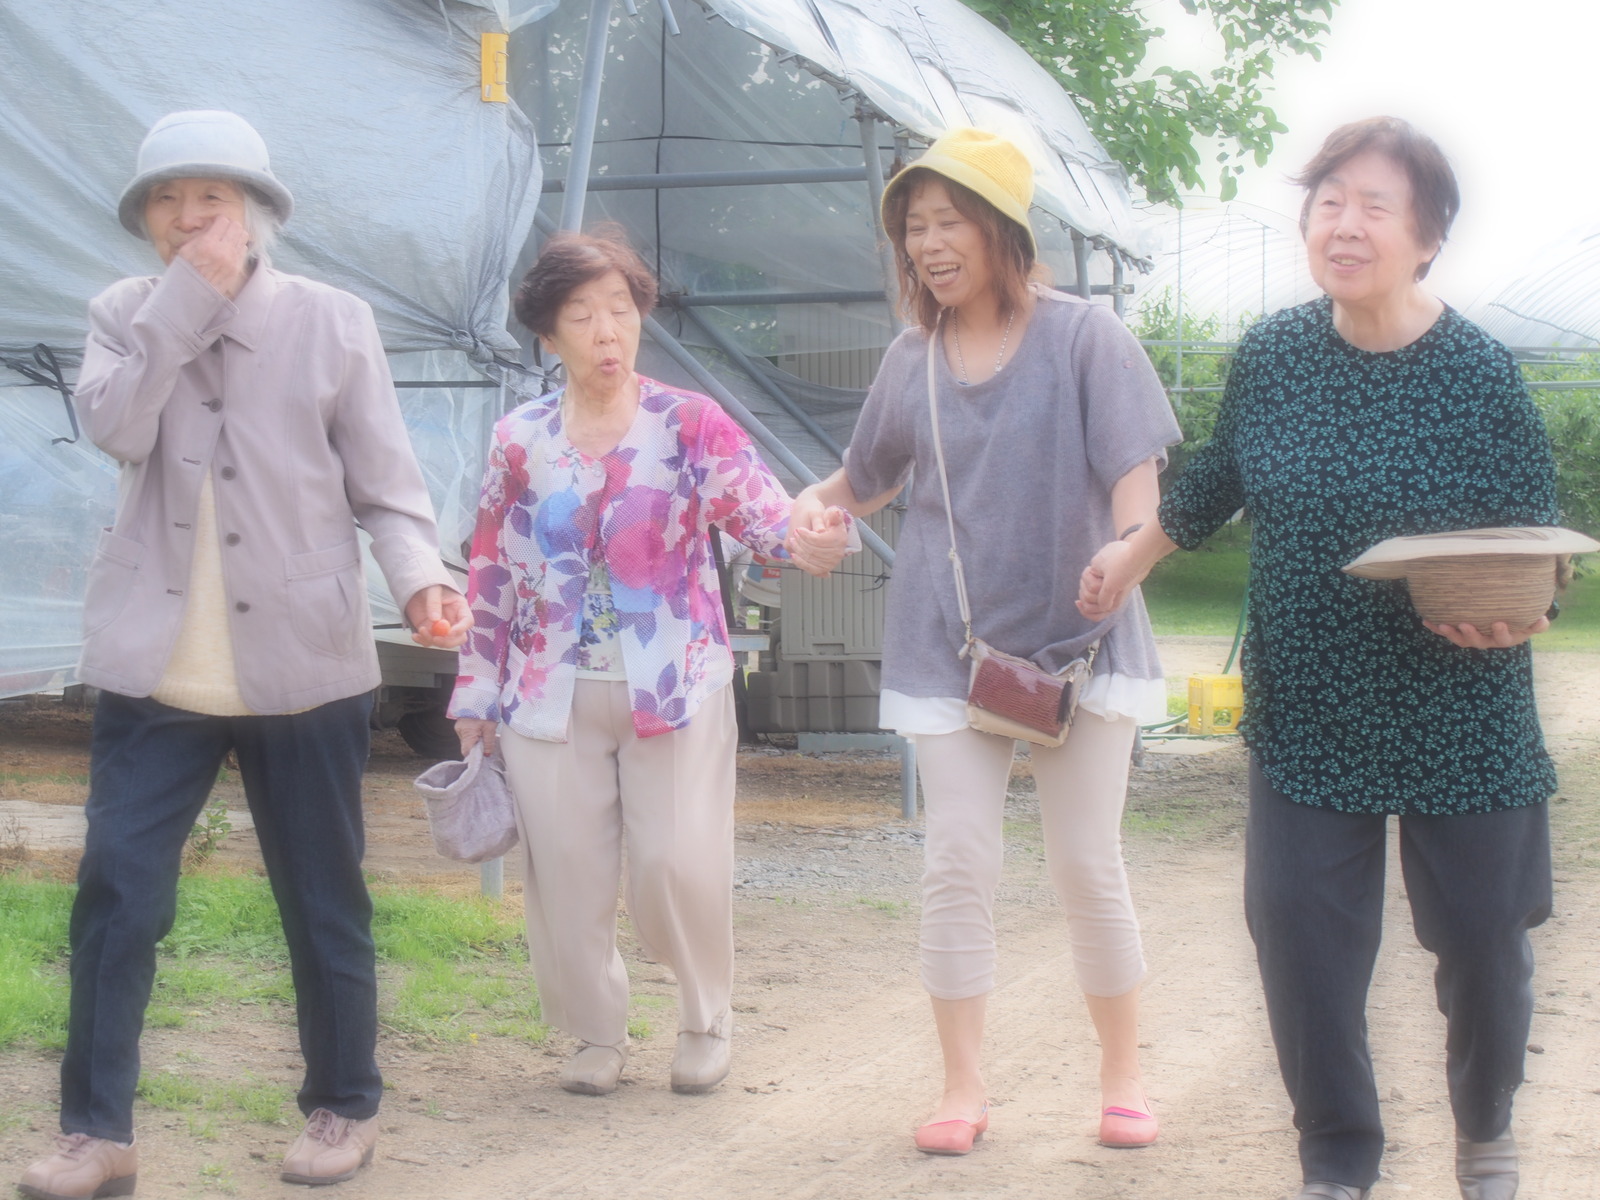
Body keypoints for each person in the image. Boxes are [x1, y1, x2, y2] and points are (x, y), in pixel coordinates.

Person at [1078, 117, 1557, 1200]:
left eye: (1374, 205)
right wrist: (1131, 553)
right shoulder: (1274, 356)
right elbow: (1216, 479)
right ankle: (1338, 1160)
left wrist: (1517, 614)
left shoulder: (1480, 375)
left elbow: (1535, 541)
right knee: (1302, 946)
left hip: (1461, 700)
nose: (1345, 224)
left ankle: (1484, 1128)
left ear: (1426, 238)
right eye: (1328, 202)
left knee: (1485, 941)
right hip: (1310, 700)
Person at [17, 110, 470, 1200]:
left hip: (306, 662)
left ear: (256, 212)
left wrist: (420, 577)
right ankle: (96, 1134)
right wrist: (186, 301)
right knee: (117, 893)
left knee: (322, 897)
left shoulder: (333, 320)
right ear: (145, 221)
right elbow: (118, 429)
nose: (188, 218)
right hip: (154, 667)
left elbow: (387, 488)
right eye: (166, 201)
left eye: (210, 198)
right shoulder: (121, 313)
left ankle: (344, 1103)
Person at [791, 127, 1181, 1155]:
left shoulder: (1087, 336)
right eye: (913, 229)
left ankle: (1123, 1076)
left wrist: (1127, 552)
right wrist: (803, 515)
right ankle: (961, 1087)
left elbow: (1137, 481)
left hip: (1082, 642)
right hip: (948, 645)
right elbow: (859, 481)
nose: (927, 245)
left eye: (947, 222)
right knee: (957, 860)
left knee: (1085, 864)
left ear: (1002, 230)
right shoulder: (909, 359)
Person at [448, 229, 853, 1100]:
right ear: (547, 334)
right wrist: (474, 694)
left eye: (621, 309)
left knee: (676, 866)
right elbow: (490, 570)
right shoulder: (519, 440)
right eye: (582, 314)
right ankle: (596, 1032)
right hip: (547, 693)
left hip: (674, 685)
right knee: (567, 876)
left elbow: (764, 516)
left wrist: (809, 537)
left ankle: (706, 1017)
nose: (607, 331)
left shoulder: (688, 423)